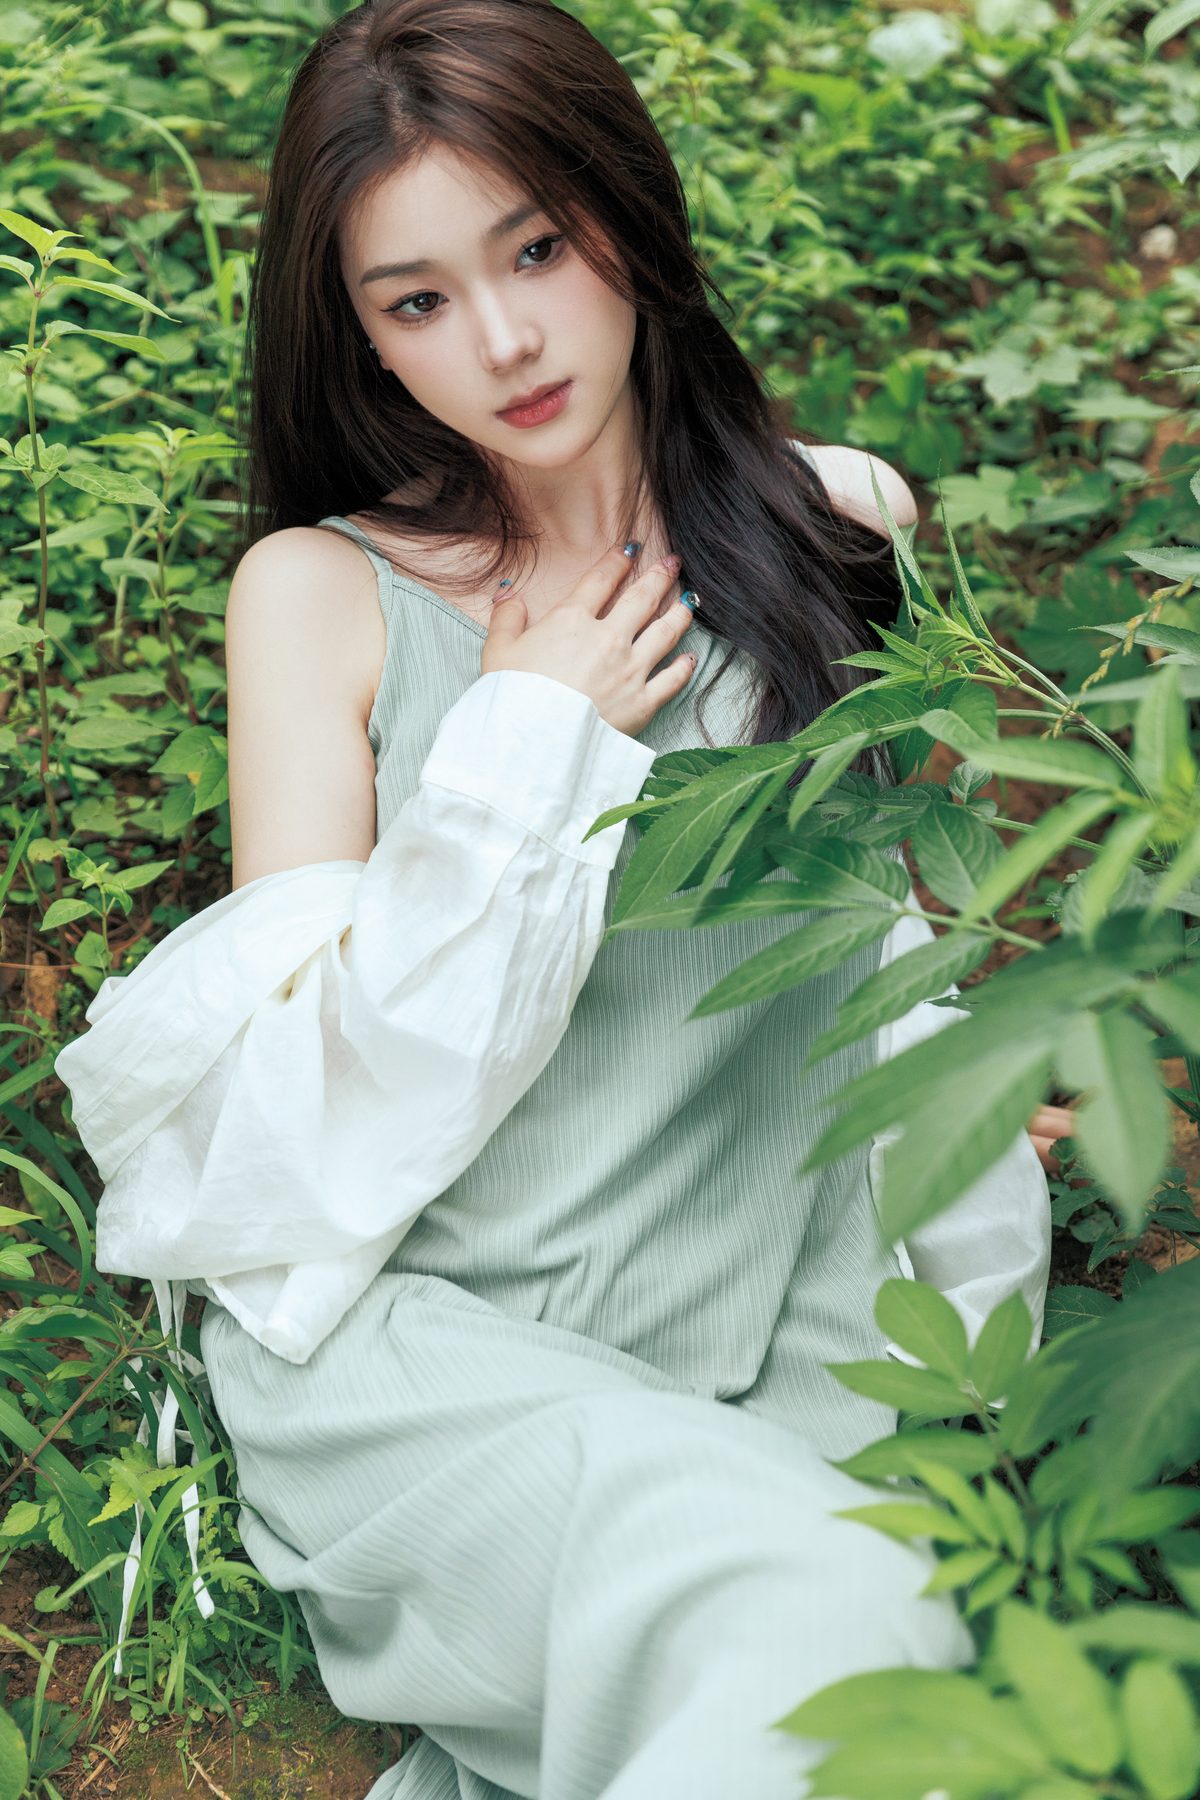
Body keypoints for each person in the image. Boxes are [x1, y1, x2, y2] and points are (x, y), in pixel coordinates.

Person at [54, 2, 1057, 1794]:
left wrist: (976, 1086)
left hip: (789, 1301)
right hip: (440, 1353)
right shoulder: (323, 598)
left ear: (628, 214)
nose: (504, 341)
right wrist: (524, 743)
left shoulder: (839, 529)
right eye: (416, 300)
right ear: (357, 332)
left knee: (875, 1663)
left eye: (536, 249)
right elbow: (312, 1107)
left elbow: (886, 918)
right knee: (825, 1625)